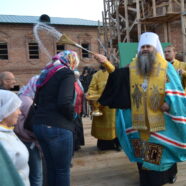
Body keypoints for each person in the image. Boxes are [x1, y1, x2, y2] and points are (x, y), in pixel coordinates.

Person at [95, 32, 186, 186]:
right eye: (142, 46)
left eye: (148, 46)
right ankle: (146, 180)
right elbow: (119, 77)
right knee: (143, 153)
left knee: (162, 153)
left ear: (155, 48)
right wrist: (106, 63)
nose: (145, 49)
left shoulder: (166, 67)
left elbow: (176, 92)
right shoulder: (133, 66)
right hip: (137, 121)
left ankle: (164, 178)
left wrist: (169, 104)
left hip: (162, 121)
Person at [31, 50, 79, 186]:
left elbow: (37, 100)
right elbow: (64, 102)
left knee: (51, 168)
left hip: (39, 125)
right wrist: (73, 116)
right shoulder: (66, 73)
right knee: (62, 170)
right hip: (58, 126)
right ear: (71, 61)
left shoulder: (47, 73)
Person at [14, 75, 43, 186]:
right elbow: (31, 126)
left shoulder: (23, 96)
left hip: (23, 139)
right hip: (30, 141)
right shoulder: (29, 102)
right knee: (37, 174)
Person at [0, 89, 30, 186]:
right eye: (16, 108)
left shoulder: (8, 131)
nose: (20, 112)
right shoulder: (2, 140)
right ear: (5, 110)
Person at [87, 65, 120, 151]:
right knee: (103, 126)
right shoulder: (96, 75)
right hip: (101, 106)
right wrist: (96, 98)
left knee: (116, 125)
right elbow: (91, 89)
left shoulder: (116, 73)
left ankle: (117, 144)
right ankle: (103, 145)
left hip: (114, 106)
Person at [73, 70, 85, 151]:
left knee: (79, 126)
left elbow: (81, 93)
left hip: (79, 108)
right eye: (75, 76)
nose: (77, 77)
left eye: (78, 76)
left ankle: (78, 143)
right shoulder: (70, 83)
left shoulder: (78, 83)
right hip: (73, 109)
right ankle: (75, 145)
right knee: (75, 127)